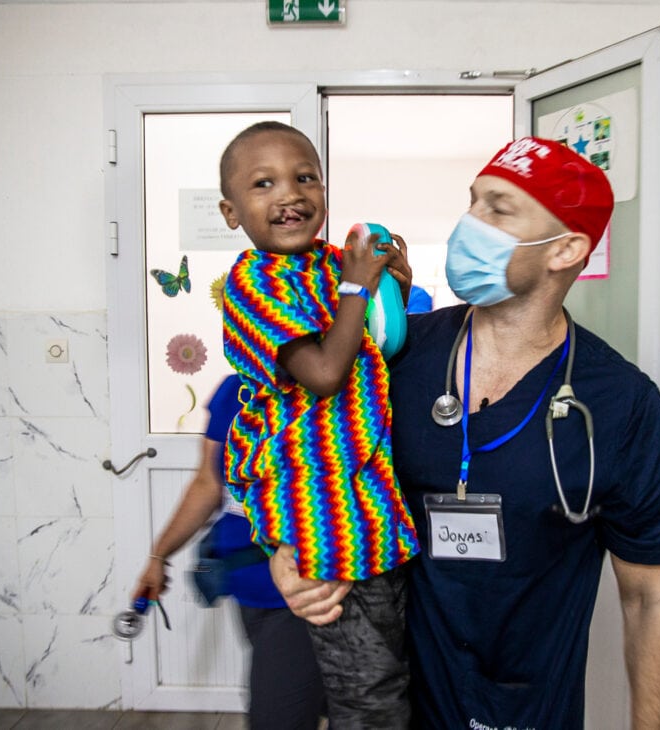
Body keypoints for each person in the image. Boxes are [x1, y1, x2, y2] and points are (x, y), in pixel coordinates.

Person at [270, 137, 660, 729]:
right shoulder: (396, 355)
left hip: (526, 705)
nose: (469, 222)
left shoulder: (619, 403)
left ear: (565, 249)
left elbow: (652, 593)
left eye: (498, 208)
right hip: (397, 698)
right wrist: (288, 550)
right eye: (472, 202)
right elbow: (307, 454)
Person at [218, 121, 419, 729]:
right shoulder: (252, 285)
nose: (290, 193)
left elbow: (381, 335)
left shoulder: (336, 264)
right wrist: (359, 281)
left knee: (392, 674)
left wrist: (394, 276)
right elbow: (327, 372)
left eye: (306, 177)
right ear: (232, 212)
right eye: (264, 183)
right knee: (369, 697)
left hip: (370, 505)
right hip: (319, 513)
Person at [132, 374, 326, 730]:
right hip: (250, 590)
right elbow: (208, 482)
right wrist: (159, 556)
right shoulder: (234, 391)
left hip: (303, 595)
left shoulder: (326, 390)